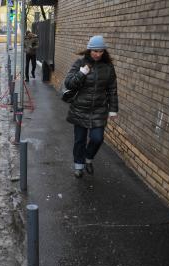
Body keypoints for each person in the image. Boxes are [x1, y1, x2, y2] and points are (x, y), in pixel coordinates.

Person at [64, 35, 118, 178]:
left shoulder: (108, 67)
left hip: (99, 109)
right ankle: (78, 166)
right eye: (95, 51)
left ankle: (88, 158)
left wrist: (113, 109)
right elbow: (68, 83)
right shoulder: (80, 63)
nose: (98, 54)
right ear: (89, 50)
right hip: (80, 108)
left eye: (101, 51)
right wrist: (82, 73)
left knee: (97, 138)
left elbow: (112, 89)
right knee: (79, 140)